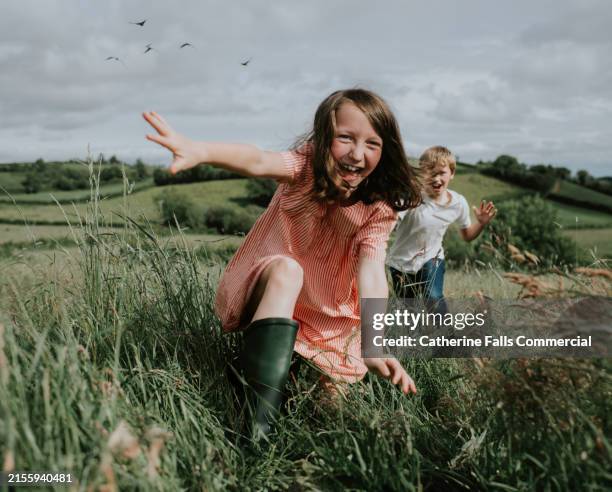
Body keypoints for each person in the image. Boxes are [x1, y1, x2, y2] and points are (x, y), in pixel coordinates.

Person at [143, 89, 420, 440]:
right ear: (323, 139)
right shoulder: (303, 166)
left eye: (372, 144)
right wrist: (201, 151)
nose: (356, 153)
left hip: (328, 311)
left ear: (386, 149)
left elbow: (371, 269)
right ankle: (254, 429)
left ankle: (293, 388)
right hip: (271, 283)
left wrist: (374, 339)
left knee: (331, 408)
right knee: (289, 270)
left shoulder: (378, 206)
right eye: (345, 138)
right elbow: (258, 160)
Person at [386, 146, 497, 313]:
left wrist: (480, 223)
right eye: (430, 172)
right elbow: (390, 224)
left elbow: (467, 236)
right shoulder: (412, 196)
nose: (436, 178)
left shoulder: (458, 203)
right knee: (408, 312)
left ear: (451, 174)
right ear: (421, 173)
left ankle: (447, 337)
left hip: (432, 259)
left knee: (434, 297)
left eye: (441, 173)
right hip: (401, 263)